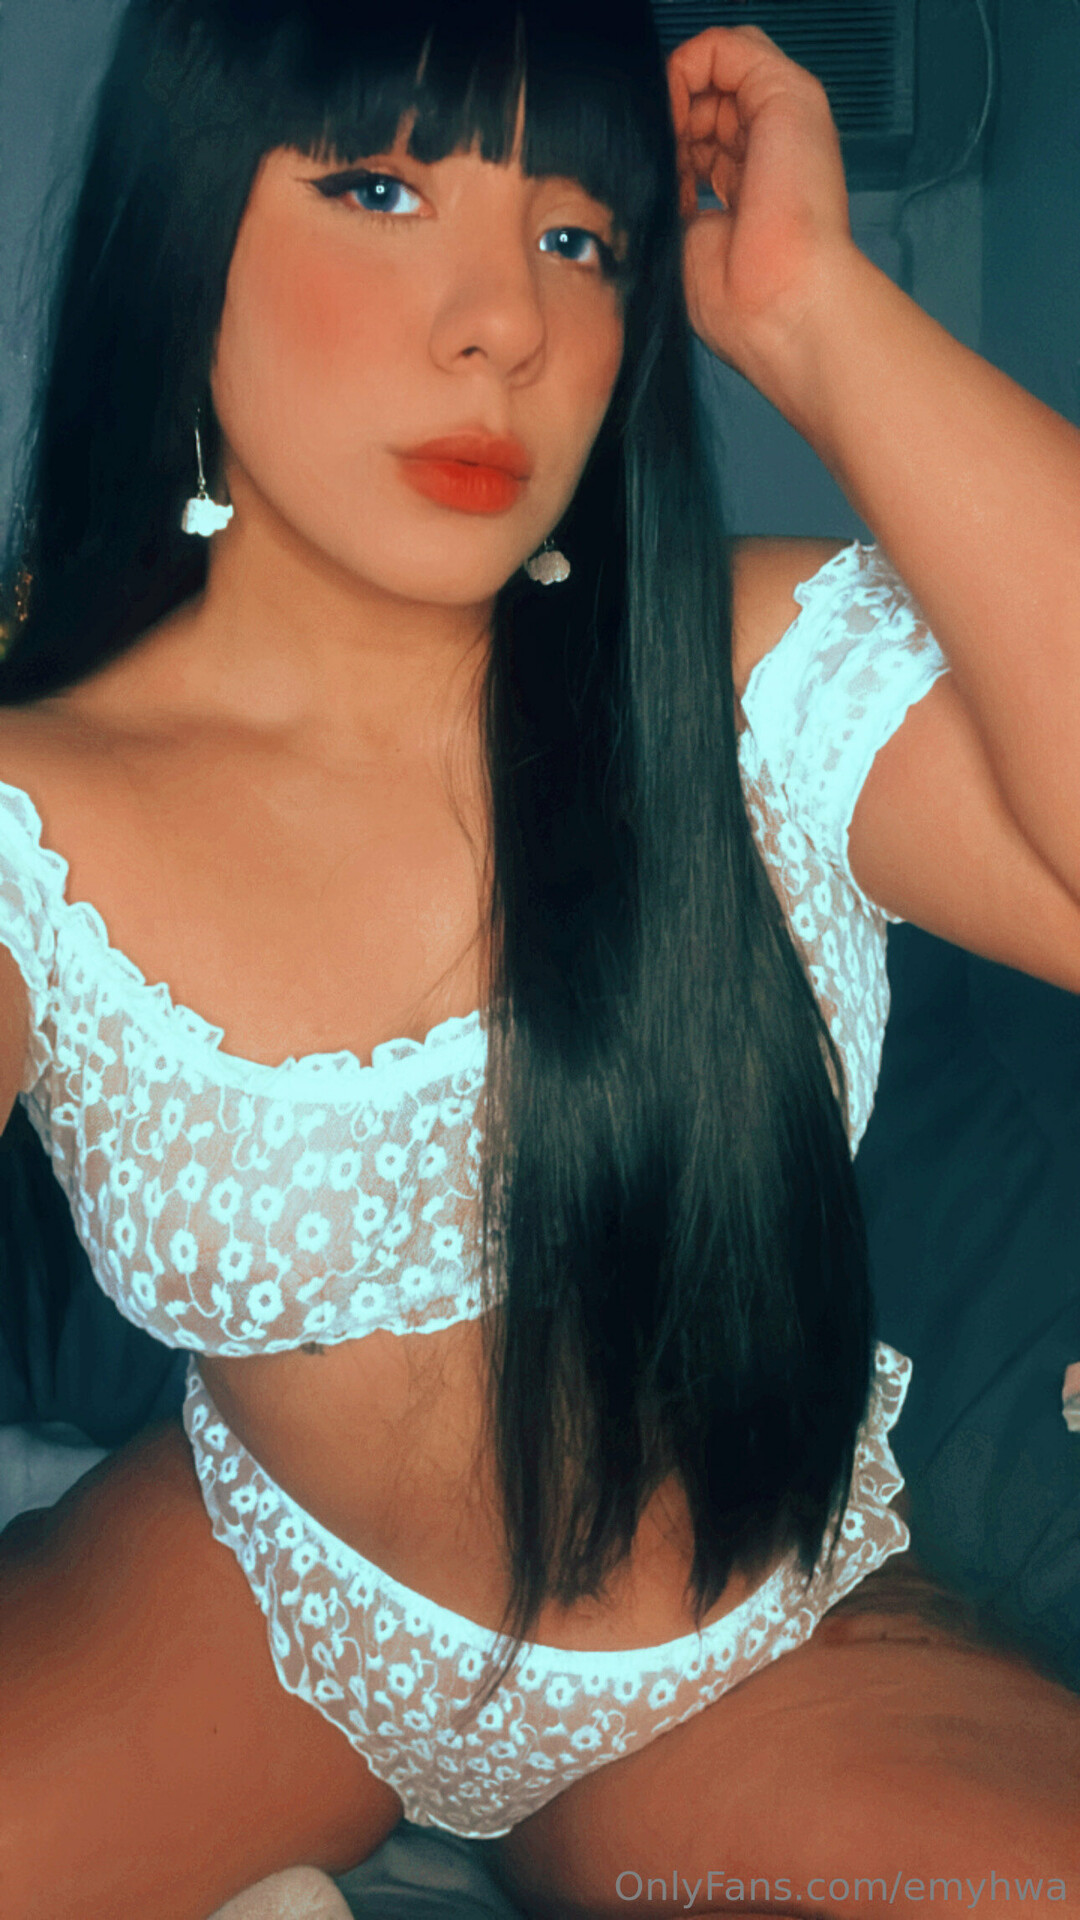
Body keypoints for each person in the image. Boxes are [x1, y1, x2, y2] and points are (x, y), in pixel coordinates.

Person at [0, 3, 1078, 1916]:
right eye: (379, 188)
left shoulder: (743, 680)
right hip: (268, 1609)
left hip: (746, 1650)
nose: (506, 322)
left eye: (578, 235)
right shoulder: (35, 813)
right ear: (184, 230)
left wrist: (816, 308)